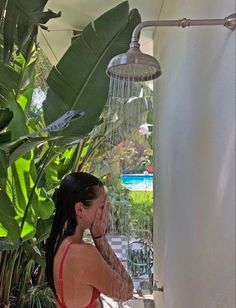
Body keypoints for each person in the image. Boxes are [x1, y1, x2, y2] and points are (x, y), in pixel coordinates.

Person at [45, 172, 133, 308]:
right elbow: (126, 290)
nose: (107, 212)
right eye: (102, 206)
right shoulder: (83, 254)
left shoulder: (60, 243)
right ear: (80, 209)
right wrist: (100, 238)